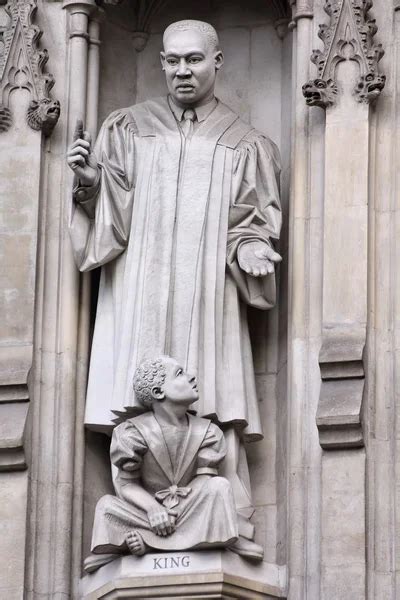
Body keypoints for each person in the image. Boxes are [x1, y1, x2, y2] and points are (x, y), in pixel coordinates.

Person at [68, 19, 281, 529]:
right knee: (141, 382)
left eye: (193, 60)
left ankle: (218, 507)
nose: (182, 71)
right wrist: (91, 187)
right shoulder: (127, 127)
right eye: (172, 61)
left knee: (207, 384)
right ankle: (136, 503)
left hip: (207, 291)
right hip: (140, 284)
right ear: (161, 62)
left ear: (217, 62)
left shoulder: (245, 143)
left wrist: (251, 246)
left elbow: (251, 219)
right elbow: (107, 222)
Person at [84, 356, 264, 573]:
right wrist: (153, 509)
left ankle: (145, 542)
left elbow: (204, 477)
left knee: (219, 487)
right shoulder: (131, 432)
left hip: (187, 506)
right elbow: (126, 484)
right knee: (106, 506)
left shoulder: (208, 431)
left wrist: (174, 511)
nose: (191, 377)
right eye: (180, 374)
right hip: (147, 512)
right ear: (159, 392)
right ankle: (204, 535)